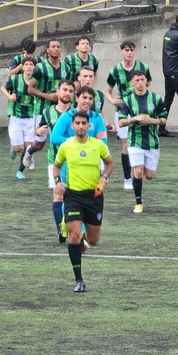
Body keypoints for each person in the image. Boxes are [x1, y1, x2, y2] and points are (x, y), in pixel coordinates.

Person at [53, 111, 114, 293]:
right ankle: (78, 279)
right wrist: (58, 182)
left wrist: (104, 178)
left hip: (94, 197)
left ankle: (83, 241)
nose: (80, 126)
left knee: (93, 240)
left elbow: (110, 163)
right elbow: (56, 165)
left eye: (83, 123)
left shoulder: (98, 145)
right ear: (72, 126)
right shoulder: (66, 146)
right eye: (77, 123)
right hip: (73, 196)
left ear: (89, 126)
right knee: (74, 236)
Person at [50, 85, 108, 243]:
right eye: (84, 98)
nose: (87, 101)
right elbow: (54, 137)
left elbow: (104, 140)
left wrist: (89, 146)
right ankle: (75, 230)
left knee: (93, 196)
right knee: (67, 195)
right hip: (70, 164)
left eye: (90, 99)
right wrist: (73, 143)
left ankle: (81, 227)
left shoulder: (97, 118)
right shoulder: (67, 117)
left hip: (91, 163)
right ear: (77, 98)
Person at [117, 71, 168, 214]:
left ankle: (143, 173)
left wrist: (152, 121)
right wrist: (135, 119)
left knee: (149, 175)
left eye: (142, 79)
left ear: (146, 81)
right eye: (137, 80)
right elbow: (121, 122)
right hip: (134, 141)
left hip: (152, 142)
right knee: (138, 171)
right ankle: (138, 202)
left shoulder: (156, 98)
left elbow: (164, 119)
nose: (140, 82)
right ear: (132, 83)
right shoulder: (127, 100)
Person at [105, 40, 152, 190]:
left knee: (140, 141)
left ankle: (141, 169)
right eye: (127, 50)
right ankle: (127, 178)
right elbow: (108, 91)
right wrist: (113, 101)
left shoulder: (143, 67)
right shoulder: (115, 70)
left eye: (132, 50)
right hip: (123, 112)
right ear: (121, 51)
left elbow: (149, 85)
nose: (129, 53)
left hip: (141, 111)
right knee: (125, 145)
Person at [23, 39, 71, 175]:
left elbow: (70, 85)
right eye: (53, 47)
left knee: (59, 138)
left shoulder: (66, 68)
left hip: (61, 109)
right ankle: (30, 151)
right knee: (40, 143)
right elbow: (30, 89)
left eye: (58, 47)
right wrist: (47, 96)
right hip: (42, 110)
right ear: (48, 50)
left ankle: (56, 169)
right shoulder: (40, 68)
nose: (56, 49)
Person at [0, 56, 36, 165]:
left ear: (34, 67)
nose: (29, 67)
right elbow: (2, 88)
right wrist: (10, 97)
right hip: (16, 117)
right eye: (27, 65)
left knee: (28, 147)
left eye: (31, 65)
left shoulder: (38, 81)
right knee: (18, 148)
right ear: (23, 67)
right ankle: (14, 147)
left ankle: (21, 169)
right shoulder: (15, 79)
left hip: (30, 117)